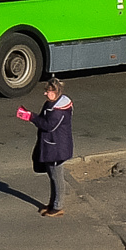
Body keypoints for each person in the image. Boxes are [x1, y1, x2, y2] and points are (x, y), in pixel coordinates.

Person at [23, 78, 76, 217]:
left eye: (48, 91)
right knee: (53, 177)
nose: (45, 94)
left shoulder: (59, 111)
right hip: (52, 146)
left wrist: (31, 117)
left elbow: (48, 125)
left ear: (55, 92)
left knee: (57, 178)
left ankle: (58, 207)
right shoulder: (52, 104)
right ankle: (53, 204)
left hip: (56, 149)